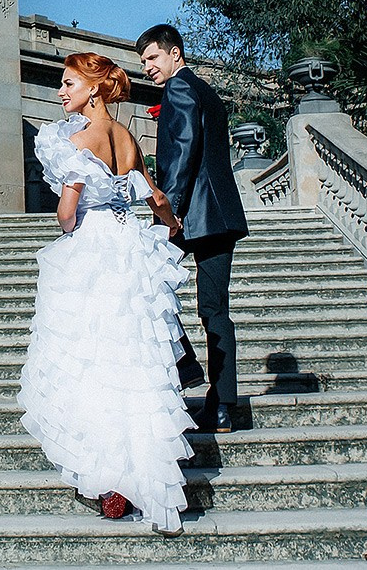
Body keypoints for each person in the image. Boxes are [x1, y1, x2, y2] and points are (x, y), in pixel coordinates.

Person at [18, 52, 194, 533]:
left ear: (93, 89)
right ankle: (144, 477)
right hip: (131, 245)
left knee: (91, 357)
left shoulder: (79, 140)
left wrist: (69, 222)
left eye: (69, 83)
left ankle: (107, 479)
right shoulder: (127, 137)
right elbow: (156, 198)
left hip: (95, 246)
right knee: (134, 359)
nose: (61, 92)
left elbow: (66, 213)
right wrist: (172, 228)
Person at [139, 23, 252, 433]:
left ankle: (186, 365)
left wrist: (172, 212)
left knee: (144, 280)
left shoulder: (180, 88)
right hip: (221, 216)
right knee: (214, 311)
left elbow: (184, 150)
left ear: (175, 54)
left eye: (153, 57)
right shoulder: (208, 92)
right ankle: (222, 406)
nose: (149, 67)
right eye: (144, 61)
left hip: (191, 214)